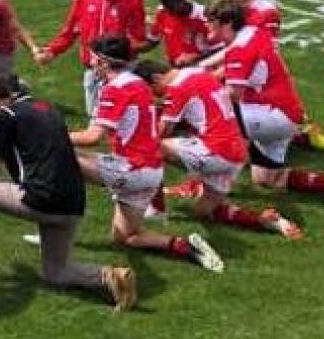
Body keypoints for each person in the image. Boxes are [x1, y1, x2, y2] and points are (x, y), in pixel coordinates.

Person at [0, 74, 137, 311]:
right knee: (56, 273)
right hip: (73, 204)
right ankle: (111, 276)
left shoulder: (5, 116)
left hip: (41, 200)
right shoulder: (48, 108)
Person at [67, 35, 224, 271]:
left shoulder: (114, 89)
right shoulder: (137, 82)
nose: (89, 63)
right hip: (149, 171)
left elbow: (93, 137)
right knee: (125, 237)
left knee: (61, 158)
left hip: (132, 169)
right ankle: (184, 246)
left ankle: (53, 226)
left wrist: (52, 134)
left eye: (93, 58)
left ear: (103, 62)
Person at [205, 1, 324, 204]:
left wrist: (195, 91)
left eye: (210, 21)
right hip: (283, 115)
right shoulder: (252, 33)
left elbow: (232, 95)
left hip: (274, 116)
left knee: (214, 115)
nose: (206, 26)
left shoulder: (241, 48)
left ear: (227, 22)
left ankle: (213, 183)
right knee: (267, 179)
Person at [133, 59, 302, 238]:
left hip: (216, 151)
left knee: (150, 146)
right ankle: (264, 220)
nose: (155, 96)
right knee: (203, 211)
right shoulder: (198, 72)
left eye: (151, 90)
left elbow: (162, 132)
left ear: (157, 78)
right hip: (236, 154)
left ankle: (157, 210)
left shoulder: (176, 88)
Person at [37, 0, 148, 117]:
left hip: (119, 71)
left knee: (118, 120)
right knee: (95, 118)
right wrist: (52, 51)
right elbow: (70, 29)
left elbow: (136, 38)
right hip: (93, 70)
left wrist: (112, 61)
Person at [150, 0, 210, 67]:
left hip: (199, 69)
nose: (169, 11)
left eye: (172, 7)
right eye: (166, 6)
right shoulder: (162, 12)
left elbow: (221, 50)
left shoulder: (203, 16)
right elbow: (153, 40)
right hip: (174, 69)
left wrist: (196, 57)